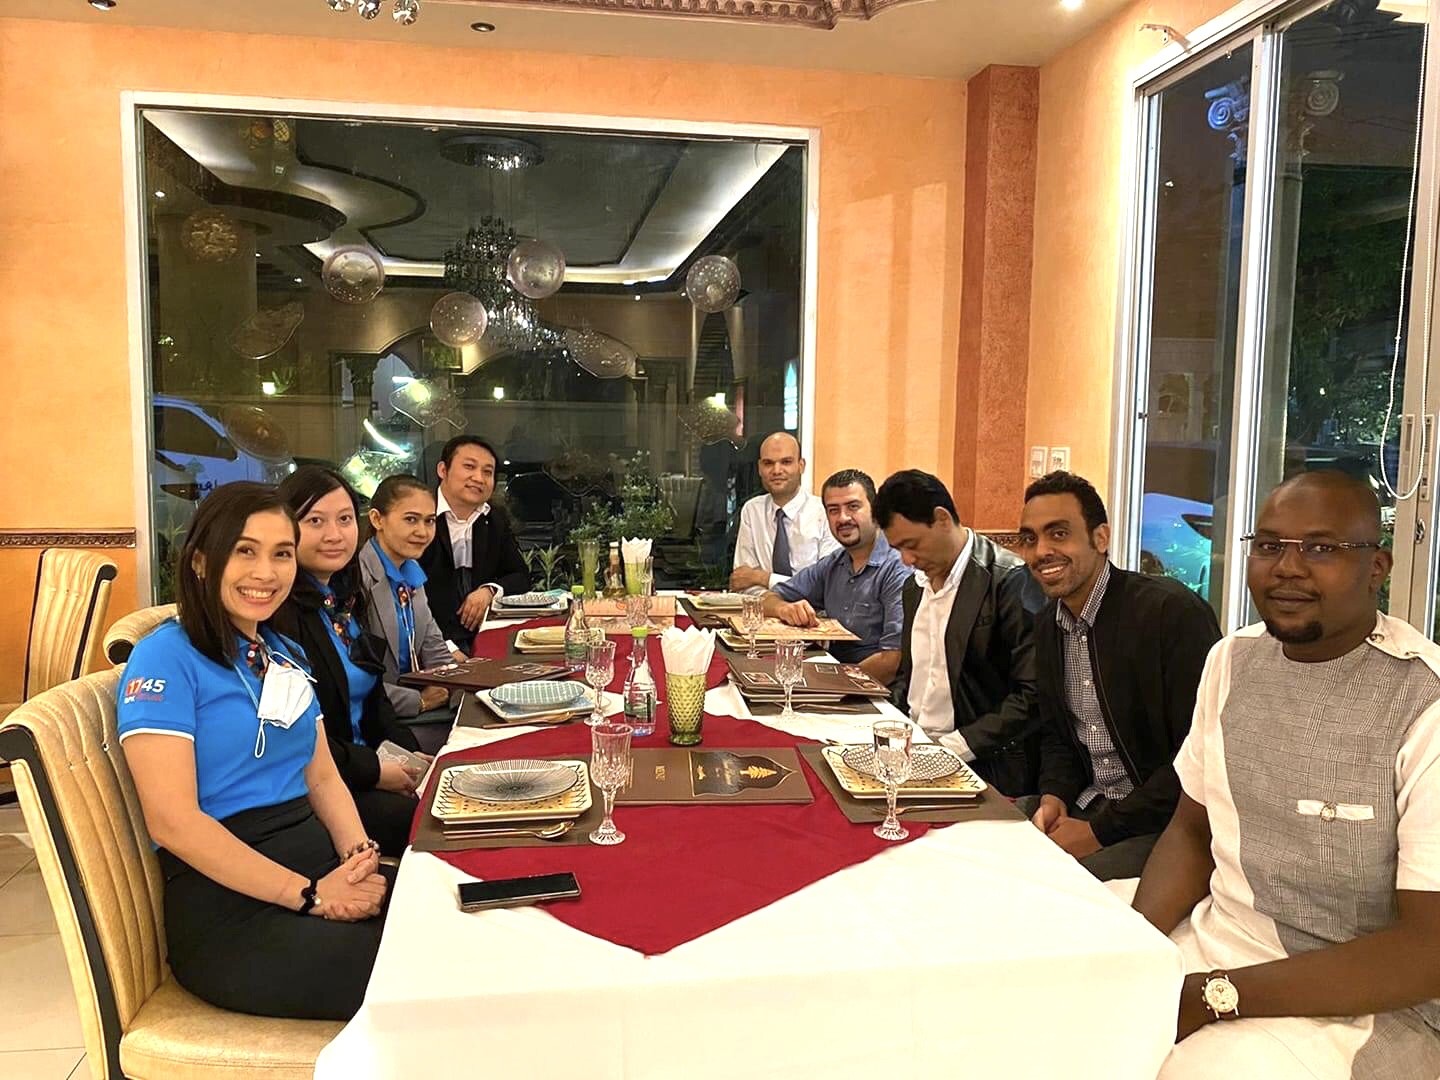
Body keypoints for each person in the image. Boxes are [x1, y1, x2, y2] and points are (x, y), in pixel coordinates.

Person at [1134, 471, 1440, 1077]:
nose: (1287, 568)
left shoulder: (1422, 702)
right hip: (1214, 944)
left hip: (1360, 1004)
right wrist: (1135, 950)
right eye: (1270, 545)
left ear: (1377, 568)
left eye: (1322, 548)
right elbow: (1192, 831)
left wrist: (1214, 996)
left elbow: (1429, 951)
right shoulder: (1232, 660)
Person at [116, 482, 388, 1021]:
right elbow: (172, 822)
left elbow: (323, 777)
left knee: (463, 918)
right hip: (235, 913)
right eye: (245, 551)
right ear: (200, 561)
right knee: (432, 971)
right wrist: (310, 895)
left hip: (318, 868)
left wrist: (359, 861)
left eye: (281, 553)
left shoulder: (281, 652)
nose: (266, 572)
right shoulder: (165, 658)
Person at [1016, 471, 1220, 881]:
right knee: (980, 842)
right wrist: (1054, 796)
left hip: (1165, 824)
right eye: (1030, 539)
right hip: (1088, 803)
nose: (1041, 551)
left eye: (1059, 534)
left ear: (1101, 538)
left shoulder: (1168, 613)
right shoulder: (1049, 624)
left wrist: (1098, 832)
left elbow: (1198, 757)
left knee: (1057, 887)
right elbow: (1058, 736)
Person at [273, 466, 428, 857]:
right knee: (435, 822)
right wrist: (375, 771)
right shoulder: (279, 615)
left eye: (344, 520)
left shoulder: (340, 600)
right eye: (315, 521)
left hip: (368, 766)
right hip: (326, 788)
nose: (334, 534)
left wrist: (411, 757)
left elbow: (376, 699)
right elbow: (297, 741)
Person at [875, 469, 1044, 795]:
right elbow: (911, 676)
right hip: (914, 749)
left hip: (985, 762)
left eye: (912, 545)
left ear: (941, 519)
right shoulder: (914, 587)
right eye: (898, 549)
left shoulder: (1009, 580)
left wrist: (954, 747)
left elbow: (1033, 695)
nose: (907, 559)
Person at [762, 469, 907, 685]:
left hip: (877, 692)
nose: (843, 518)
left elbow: (891, 662)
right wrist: (785, 609)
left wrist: (824, 685)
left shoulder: (898, 567)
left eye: (853, 507)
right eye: (833, 510)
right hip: (832, 676)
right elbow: (767, 600)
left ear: (875, 510)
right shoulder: (833, 563)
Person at [360, 475, 462, 756]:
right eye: (411, 520)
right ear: (377, 519)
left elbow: (436, 650)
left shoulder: (411, 572)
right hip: (378, 723)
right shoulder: (357, 581)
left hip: (418, 708)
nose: (423, 531)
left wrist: (457, 688)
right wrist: (419, 701)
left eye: (429, 521)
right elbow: (356, 681)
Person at [418, 435, 530, 653]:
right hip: (430, 644)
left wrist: (489, 590)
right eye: (469, 467)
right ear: (443, 470)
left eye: (487, 472)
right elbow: (407, 595)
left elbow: (520, 576)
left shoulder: (493, 519)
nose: (479, 478)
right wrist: (446, 648)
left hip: (484, 637)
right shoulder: (421, 516)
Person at [731, 431, 839, 593]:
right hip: (764, 607)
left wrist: (763, 578)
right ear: (759, 468)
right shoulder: (752, 510)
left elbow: (825, 584)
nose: (776, 470)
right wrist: (774, 603)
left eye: (786, 462)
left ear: (801, 466)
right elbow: (742, 581)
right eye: (768, 463)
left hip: (812, 608)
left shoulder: (824, 513)